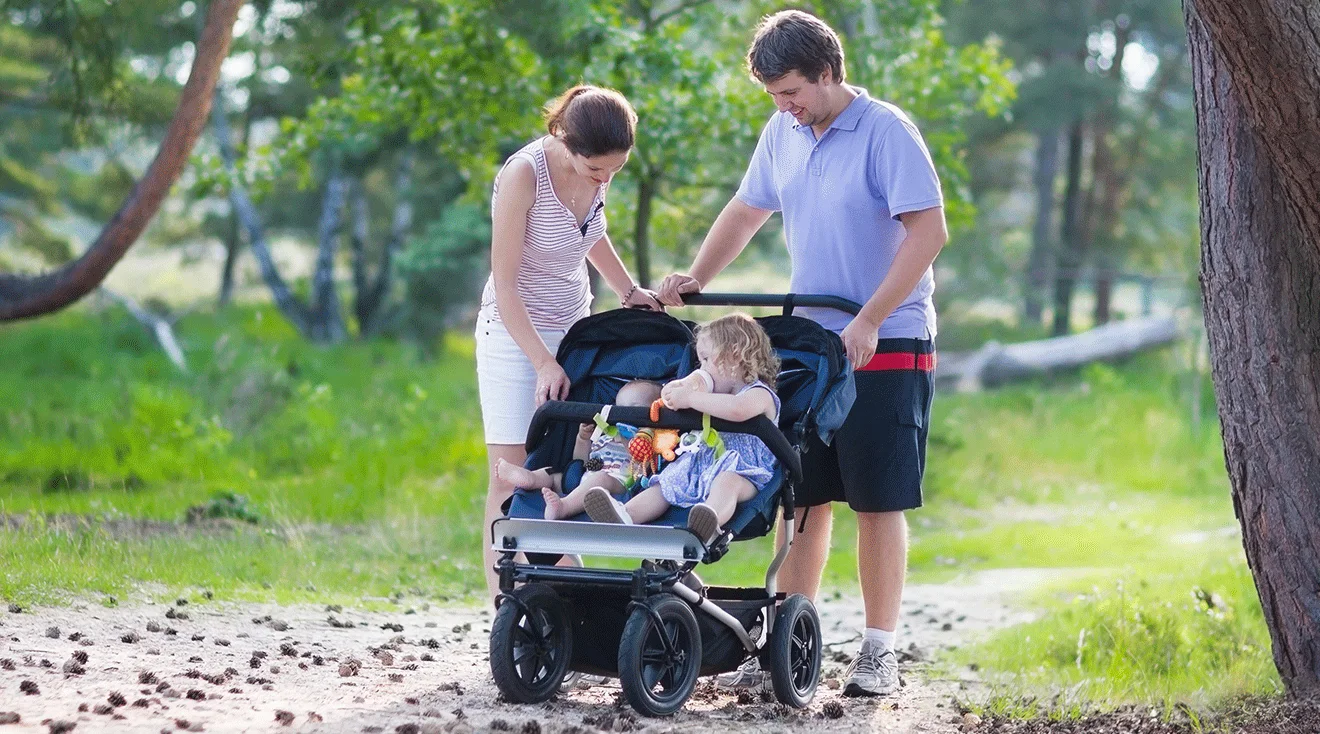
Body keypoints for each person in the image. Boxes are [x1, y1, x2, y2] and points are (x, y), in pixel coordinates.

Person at [657, 10, 947, 697]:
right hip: (812, 347)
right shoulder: (782, 132)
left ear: (826, 72)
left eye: (791, 91)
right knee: (802, 499)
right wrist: (699, 275)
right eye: (772, 96)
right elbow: (746, 208)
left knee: (877, 499)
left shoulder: (886, 132)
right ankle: (788, 644)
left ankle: (878, 652)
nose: (784, 106)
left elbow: (929, 232)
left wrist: (873, 317)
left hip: (888, 337)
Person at [478, 84, 661, 600]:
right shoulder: (525, 174)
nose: (604, 179)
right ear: (563, 137)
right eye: (596, 170)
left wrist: (628, 291)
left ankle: (564, 605)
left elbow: (591, 232)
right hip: (515, 334)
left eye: (615, 171)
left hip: (573, 327)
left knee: (562, 468)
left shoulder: (596, 169)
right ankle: (510, 608)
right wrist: (542, 362)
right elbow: (506, 284)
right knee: (514, 475)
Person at [583, 313, 781, 545]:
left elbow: (737, 410)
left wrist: (691, 398)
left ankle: (708, 522)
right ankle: (625, 515)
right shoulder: (708, 395)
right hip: (700, 465)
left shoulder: (760, 393)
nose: (702, 368)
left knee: (727, 483)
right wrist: (679, 390)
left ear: (735, 355)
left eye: (706, 359)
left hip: (745, 471)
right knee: (666, 482)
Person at [492, 380, 662, 519]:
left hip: (618, 484)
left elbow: (643, 466)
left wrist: (628, 440)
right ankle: (530, 478)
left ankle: (563, 507)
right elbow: (582, 460)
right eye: (619, 409)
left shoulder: (649, 441)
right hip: (583, 477)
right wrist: (583, 439)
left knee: (600, 478)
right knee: (553, 475)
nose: (623, 416)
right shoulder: (606, 437)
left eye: (633, 410)